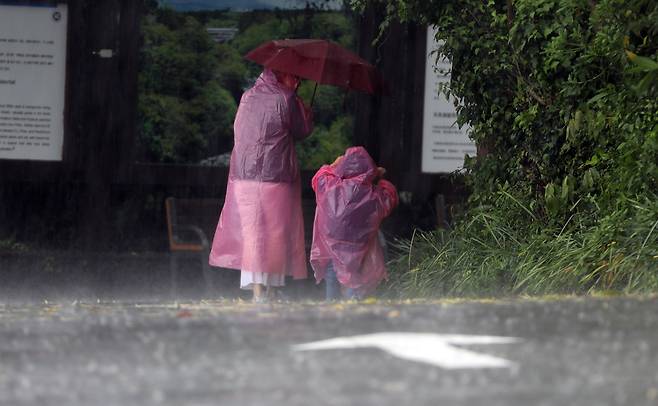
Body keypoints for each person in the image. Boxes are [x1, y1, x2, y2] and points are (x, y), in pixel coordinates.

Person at [209, 68, 313, 303]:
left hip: (244, 174)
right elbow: (301, 130)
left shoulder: (247, 96)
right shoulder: (287, 99)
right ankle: (272, 291)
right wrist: (306, 112)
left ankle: (258, 292)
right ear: (282, 75)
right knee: (276, 234)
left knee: (253, 234)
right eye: (295, 76)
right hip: (276, 176)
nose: (298, 80)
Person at [310, 146, 398, 300]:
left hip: (331, 245)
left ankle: (331, 305)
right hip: (359, 247)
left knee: (332, 275)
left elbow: (318, 177)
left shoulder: (330, 186)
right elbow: (390, 197)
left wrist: (333, 165)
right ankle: (352, 305)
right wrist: (379, 176)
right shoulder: (373, 194)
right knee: (353, 277)